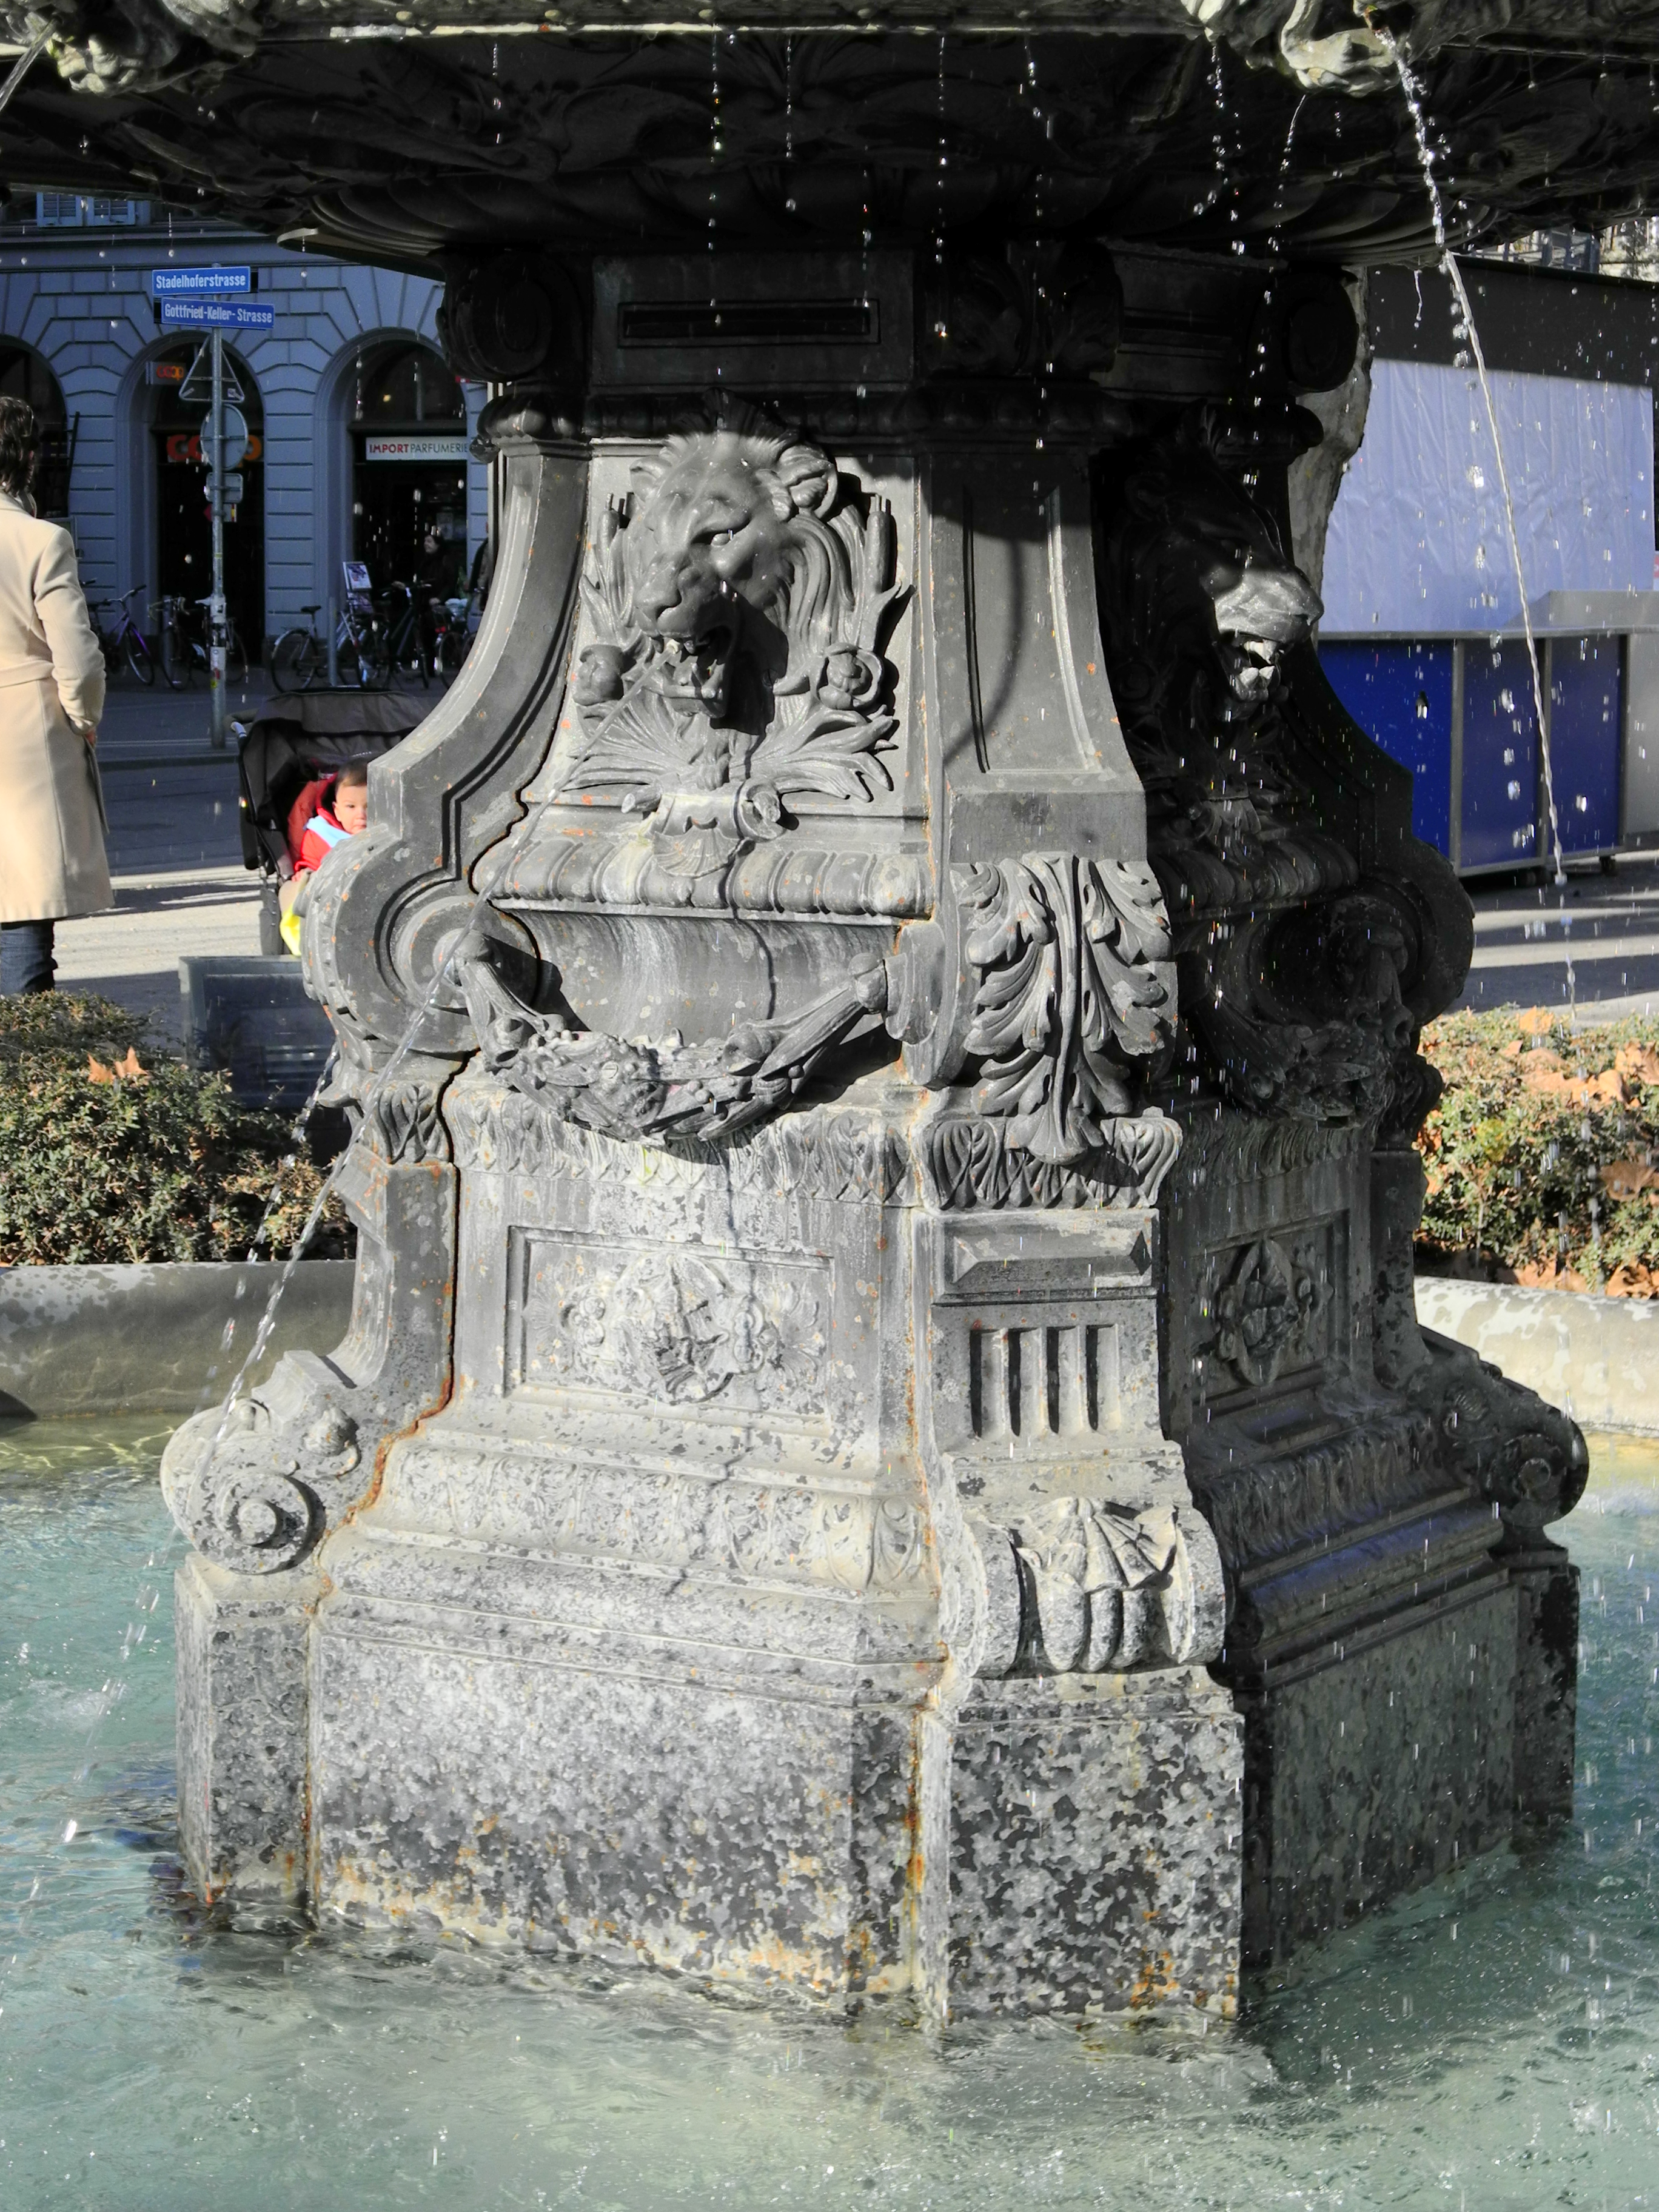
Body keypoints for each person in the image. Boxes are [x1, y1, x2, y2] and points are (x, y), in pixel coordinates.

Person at [0, 395, 109, 993]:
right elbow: (77, 657)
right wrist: (83, 717)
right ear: (26, 460)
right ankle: (24, 1044)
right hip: (22, 734)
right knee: (23, 900)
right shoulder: (40, 541)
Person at [278, 762, 367, 953]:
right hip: (329, 902)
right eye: (351, 807)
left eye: (369, 806)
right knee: (299, 888)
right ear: (337, 810)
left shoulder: (388, 832)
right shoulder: (322, 834)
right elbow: (310, 862)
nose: (361, 814)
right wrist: (305, 874)